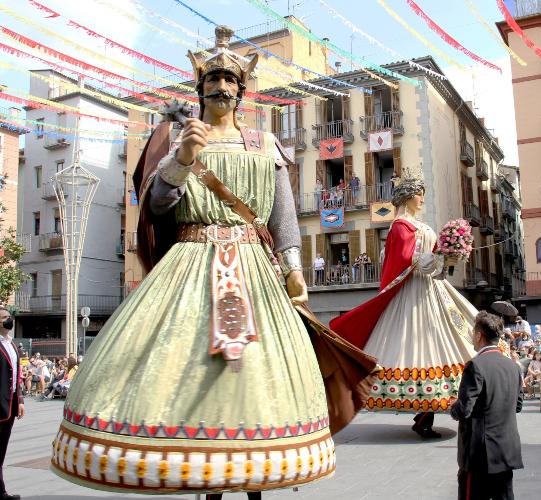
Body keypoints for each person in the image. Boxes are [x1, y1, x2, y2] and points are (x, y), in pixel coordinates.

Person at [50, 26, 376, 497]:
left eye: (230, 81)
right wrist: (182, 158)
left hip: (253, 268)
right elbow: (159, 206)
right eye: (213, 80)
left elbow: (282, 218)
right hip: (191, 264)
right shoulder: (182, 141)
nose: (221, 87)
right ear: (199, 89)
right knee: (191, 370)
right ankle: (205, 478)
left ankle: (257, 480)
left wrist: (294, 269)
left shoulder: (266, 146)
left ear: (242, 92)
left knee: (260, 373)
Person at [330, 166, 477, 439]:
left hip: (431, 290)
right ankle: (424, 414)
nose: (422, 199)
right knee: (419, 345)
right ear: (408, 196)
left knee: (441, 340)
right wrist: (438, 259)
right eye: (419, 194)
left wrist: (448, 258)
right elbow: (406, 263)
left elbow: (430, 263)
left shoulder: (420, 225)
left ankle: (428, 412)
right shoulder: (400, 226)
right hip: (412, 292)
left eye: (423, 194)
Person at [451, 311, 523, 500]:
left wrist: (453, 406)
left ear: (479, 335)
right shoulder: (513, 367)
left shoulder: (475, 365)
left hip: (479, 454)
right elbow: (518, 405)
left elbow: (464, 409)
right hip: (506, 449)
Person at [0, 307, 24, 500]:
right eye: (5, 318)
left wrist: (20, 400)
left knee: (1, 451)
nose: (9, 320)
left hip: (10, 407)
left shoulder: (12, 345)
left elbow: (16, 376)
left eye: (9, 317)